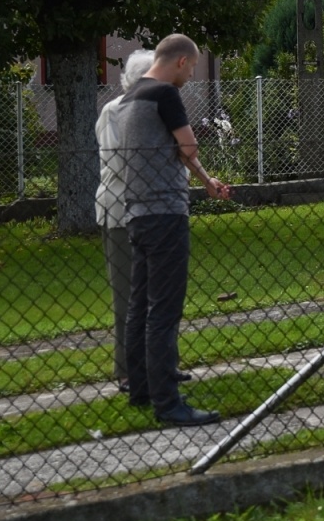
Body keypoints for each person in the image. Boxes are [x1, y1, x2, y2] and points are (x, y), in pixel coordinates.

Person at [108, 33, 231, 426]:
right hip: (166, 214)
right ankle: (169, 403)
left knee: (139, 307)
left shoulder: (130, 99)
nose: (192, 75)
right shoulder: (164, 95)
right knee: (164, 311)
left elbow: (174, 151)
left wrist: (207, 182)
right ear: (180, 61)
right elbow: (188, 147)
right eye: (192, 67)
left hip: (138, 214)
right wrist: (200, 167)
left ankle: (142, 390)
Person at [94, 48, 155, 393]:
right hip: (120, 212)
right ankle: (127, 372)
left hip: (150, 211)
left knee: (155, 297)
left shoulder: (154, 111)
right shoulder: (112, 112)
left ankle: (157, 365)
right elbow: (117, 163)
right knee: (127, 297)